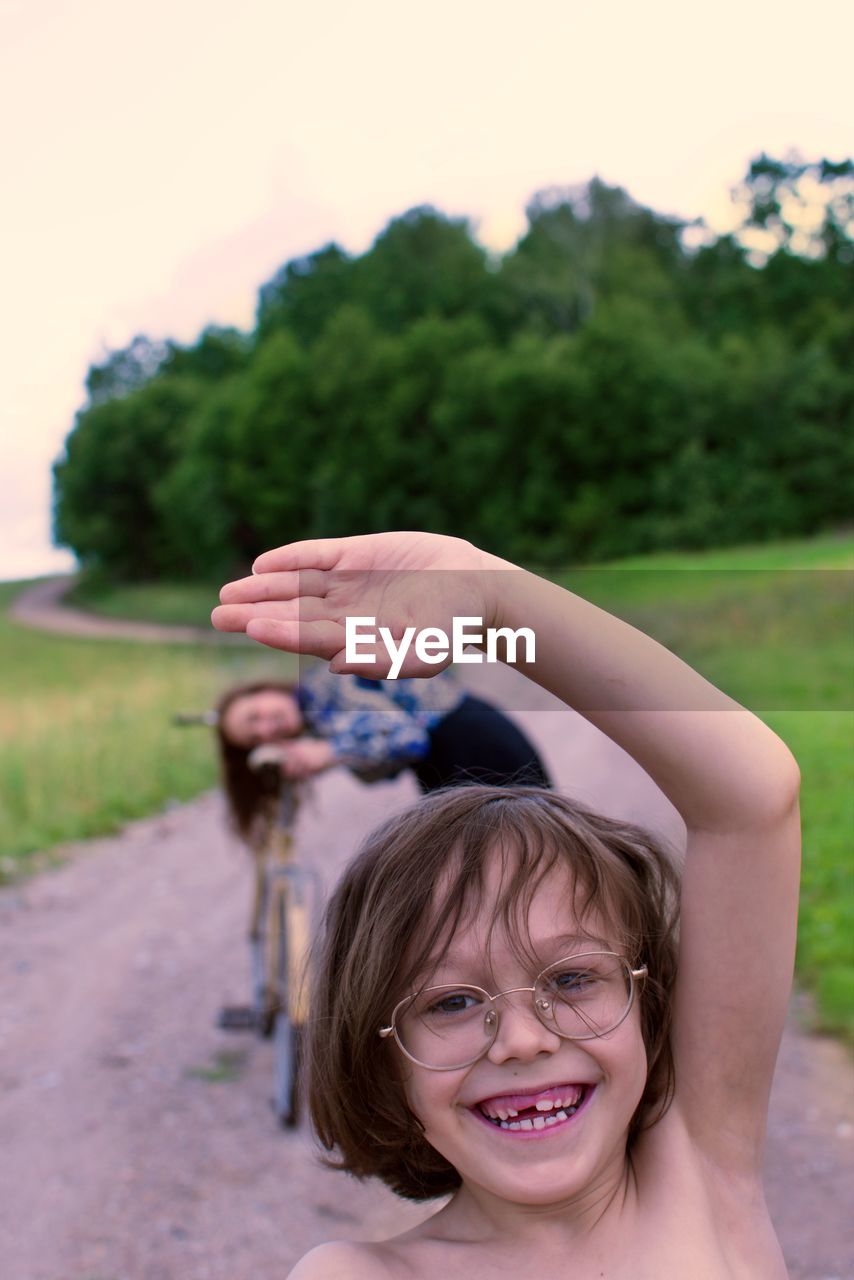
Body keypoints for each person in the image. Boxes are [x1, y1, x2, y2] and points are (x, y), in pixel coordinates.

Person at [212, 531, 801, 1279]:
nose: (522, 1041)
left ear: (651, 1007)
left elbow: (752, 800)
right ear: (380, 1061)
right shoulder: (356, 1274)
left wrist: (492, 595)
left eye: (572, 979)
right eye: (452, 1001)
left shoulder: (701, 1168)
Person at [215, 666, 550, 846]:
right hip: (453, 763)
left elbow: (407, 738)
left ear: (263, 691)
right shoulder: (318, 712)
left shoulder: (327, 688)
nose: (265, 729)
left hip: (477, 749)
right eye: (255, 737)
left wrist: (331, 751)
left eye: (254, 716)